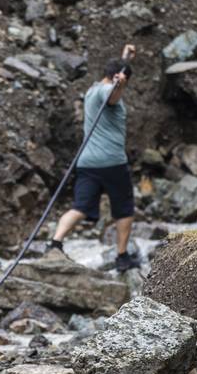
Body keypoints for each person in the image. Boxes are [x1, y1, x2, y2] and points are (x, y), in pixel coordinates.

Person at [49, 44, 140, 272]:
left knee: (79, 207)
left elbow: (113, 81)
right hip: (112, 163)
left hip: (87, 163)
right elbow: (112, 95)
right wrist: (120, 85)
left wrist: (125, 59)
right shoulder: (106, 91)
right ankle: (122, 256)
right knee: (124, 208)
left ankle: (55, 243)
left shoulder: (92, 90)